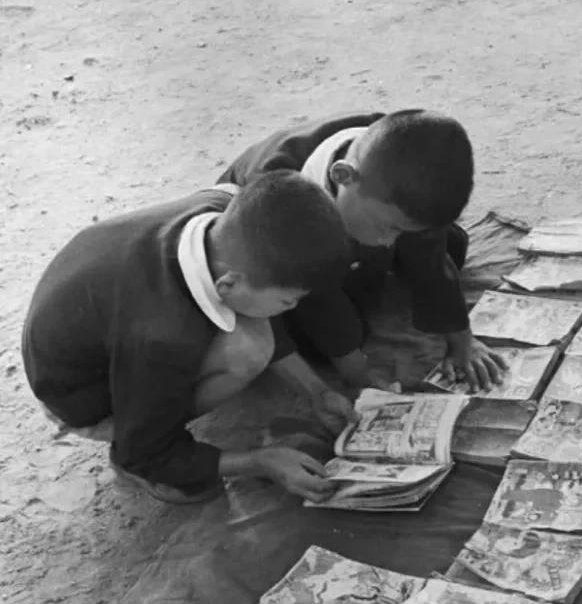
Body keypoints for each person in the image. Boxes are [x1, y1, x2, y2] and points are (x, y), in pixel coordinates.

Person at [21, 172, 354, 506]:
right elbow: (144, 452)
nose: (293, 308)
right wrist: (260, 461)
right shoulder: (161, 337)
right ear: (228, 284)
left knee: (254, 323)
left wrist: (317, 392)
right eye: (288, 301)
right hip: (79, 394)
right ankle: (130, 449)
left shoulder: (224, 207)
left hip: (105, 310)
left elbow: (257, 303)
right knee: (248, 350)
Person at [220, 108, 503, 393]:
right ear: (343, 176)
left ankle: (380, 251)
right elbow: (320, 302)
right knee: (320, 334)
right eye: (387, 228)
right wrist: (360, 378)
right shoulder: (275, 203)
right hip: (273, 251)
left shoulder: (397, 150)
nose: (389, 242)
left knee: (447, 244)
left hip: (346, 217)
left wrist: (463, 341)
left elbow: (430, 251)